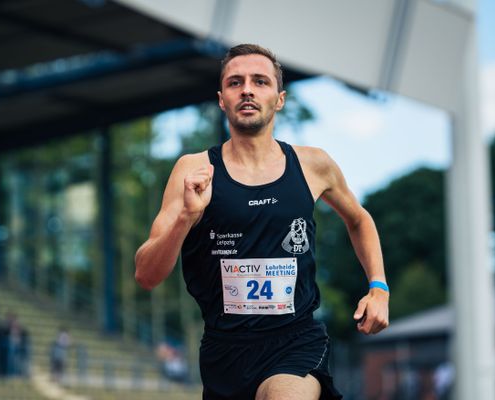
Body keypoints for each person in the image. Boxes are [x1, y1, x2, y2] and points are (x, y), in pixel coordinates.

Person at [135, 43, 390, 400]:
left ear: (279, 99)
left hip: (295, 339)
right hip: (224, 350)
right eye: (235, 82)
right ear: (222, 99)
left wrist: (379, 288)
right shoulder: (193, 170)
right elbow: (147, 274)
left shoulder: (313, 165)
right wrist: (185, 217)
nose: (248, 89)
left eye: (260, 81)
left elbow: (359, 219)